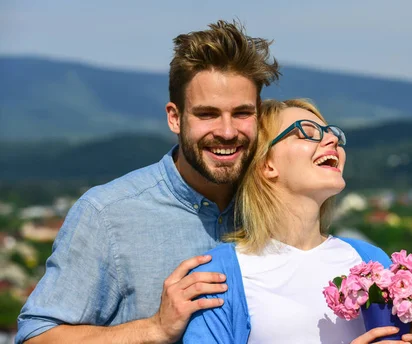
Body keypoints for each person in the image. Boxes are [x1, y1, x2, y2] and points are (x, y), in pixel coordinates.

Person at [16, 20, 281, 344]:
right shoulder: (107, 215)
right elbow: (35, 338)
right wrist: (154, 328)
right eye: (207, 114)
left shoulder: (277, 206)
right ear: (175, 117)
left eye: (241, 113)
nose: (227, 131)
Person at [181, 99, 412, 344]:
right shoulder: (217, 277)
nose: (332, 140)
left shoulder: (372, 262)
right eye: (308, 132)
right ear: (266, 164)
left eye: (332, 133)